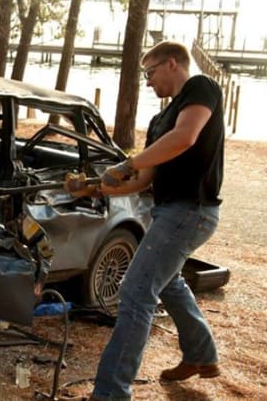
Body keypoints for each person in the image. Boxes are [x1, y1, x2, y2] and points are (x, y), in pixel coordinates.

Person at [81, 41, 225, 401]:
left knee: (135, 292)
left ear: (171, 64)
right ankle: (201, 355)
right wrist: (99, 189)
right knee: (168, 282)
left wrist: (129, 162)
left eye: (150, 73)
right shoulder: (160, 120)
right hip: (171, 212)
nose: (146, 82)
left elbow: (186, 137)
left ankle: (111, 393)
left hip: (191, 212)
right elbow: (144, 182)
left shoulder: (200, 87)